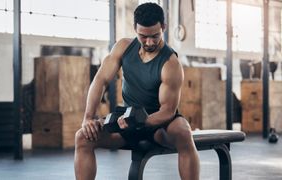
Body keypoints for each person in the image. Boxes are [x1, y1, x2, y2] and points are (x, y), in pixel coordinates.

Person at [74, 2, 200, 180]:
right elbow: (100, 80)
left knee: (183, 133)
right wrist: (88, 117)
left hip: (159, 124)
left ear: (163, 27)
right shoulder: (123, 47)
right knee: (83, 137)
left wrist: (142, 121)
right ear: (135, 29)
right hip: (128, 117)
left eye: (155, 36)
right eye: (143, 36)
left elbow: (167, 110)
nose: (149, 42)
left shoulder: (170, 63)